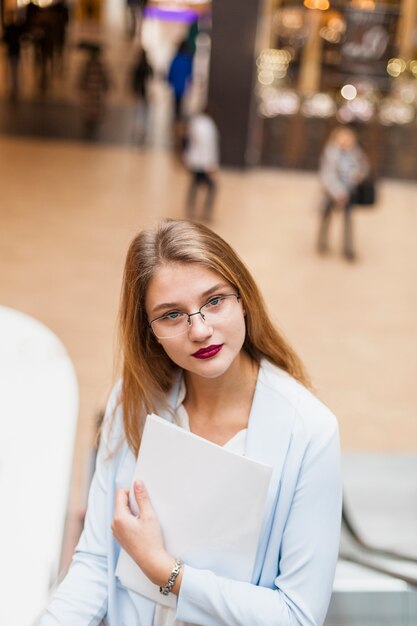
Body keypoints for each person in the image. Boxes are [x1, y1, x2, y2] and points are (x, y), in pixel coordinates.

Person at [39, 219, 342, 626]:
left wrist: (167, 573)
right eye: (171, 315)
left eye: (215, 301)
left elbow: (297, 616)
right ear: (150, 333)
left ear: (244, 297)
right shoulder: (131, 400)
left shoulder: (310, 432)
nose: (199, 330)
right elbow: (96, 562)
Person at [317, 125, 370, 262]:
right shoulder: (330, 153)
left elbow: (364, 167)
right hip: (332, 192)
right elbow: (327, 175)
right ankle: (322, 244)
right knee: (326, 217)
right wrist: (338, 193)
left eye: (349, 137)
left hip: (350, 191)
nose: (346, 140)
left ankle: (348, 249)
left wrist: (359, 175)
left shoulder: (356, 153)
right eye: (343, 137)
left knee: (348, 220)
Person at [183, 108, 220, 222]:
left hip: (195, 161)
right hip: (203, 163)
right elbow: (206, 146)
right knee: (212, 186)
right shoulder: (207, 125)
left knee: (194, 184)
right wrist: (210, 165)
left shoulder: (196, 123)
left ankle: (191, 209)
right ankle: (206, 213)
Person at [130, 47, 153, 144]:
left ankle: (139, 129)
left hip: (141, 91)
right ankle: (142, 130)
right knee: (143, 112)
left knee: (139, 111)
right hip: (144, 91)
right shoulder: (146, 66)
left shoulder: (140, 65)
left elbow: (134, 79)